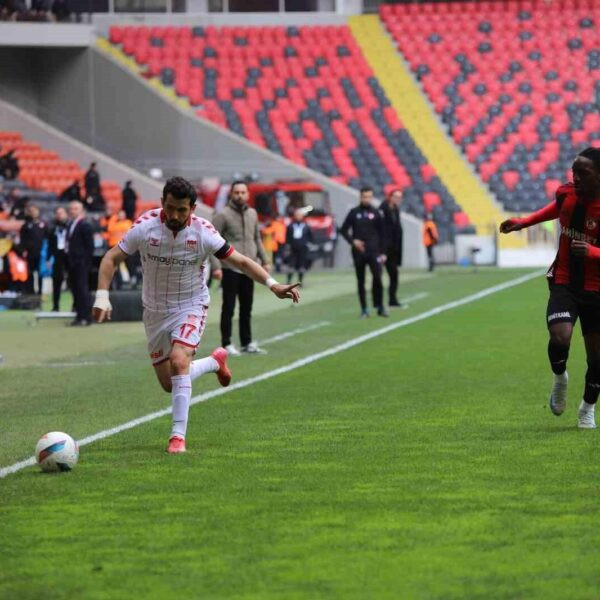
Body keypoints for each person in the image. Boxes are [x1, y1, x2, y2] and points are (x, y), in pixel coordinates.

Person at [92, 176, 300, 454]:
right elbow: (111, 258)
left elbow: (240, 261)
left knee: (179, 362)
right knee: (170, 384)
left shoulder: (203, 232)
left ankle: (177, 437)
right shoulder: (145, 227)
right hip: (154, 311)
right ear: (162, 203)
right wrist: (102, 297)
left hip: (191, 305)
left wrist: (273, 285)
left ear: (193, 208)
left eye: (182, 210)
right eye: (170, 208)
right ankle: (215, 362)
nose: (175, 215)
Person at [500, 147, 600, 429]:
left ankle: (587, 408)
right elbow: (557, 209)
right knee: (560, 337)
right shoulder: (567, 194)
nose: (576, 178)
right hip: (565, 280)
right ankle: (560, 378)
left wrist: (593, 253)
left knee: (597, 358)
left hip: (597, 288)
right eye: (574, 172)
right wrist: (524, 222)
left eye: (583, 173)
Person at [212, 180, 271, 355]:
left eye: (243, 192)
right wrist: (216, 267)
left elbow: (257, 239)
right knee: (228, 307)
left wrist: (265, 259)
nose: (240, 195)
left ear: (248, 194)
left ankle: (247, 342)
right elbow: (211, 241)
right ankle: (226, 343)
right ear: (231, 194)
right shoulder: (222, 215)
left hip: (250, 267)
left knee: (247, 307)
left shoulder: (252, 213)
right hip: (230, 267)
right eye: (236, 192)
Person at [340, 186, 388, 318]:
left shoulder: (377, 213)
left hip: (374, 251)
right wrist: (353, 241)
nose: (367, 199)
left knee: (378, 278)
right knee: (361, 280)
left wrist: (383, 252)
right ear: (360, 197)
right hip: (359, 252)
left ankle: (379, 306)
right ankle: (364, 309)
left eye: (369, 197)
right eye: (365, 197)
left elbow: (383, 234)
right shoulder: (354, 212)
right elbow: (343, 230)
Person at [66, 200, 94, 326]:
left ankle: (86, 317)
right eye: (71, 208)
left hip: (81, 263)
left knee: (82, 290)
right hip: (72, 263)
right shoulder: (71, 224)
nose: (72, 211)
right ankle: (79, 315)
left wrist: (85, 263)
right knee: (75, 289)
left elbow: (89, 247)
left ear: (81, 211)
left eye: (75, 209)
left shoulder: (85, 225)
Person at [380, 189, 405, 307]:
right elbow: (383, 232)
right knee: (379, 276)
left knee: (394, 275)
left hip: (393, 249)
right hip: (384, 249)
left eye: (399, 197)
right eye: (395, 196)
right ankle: (380, 302)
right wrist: (382, 251)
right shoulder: (383, 210)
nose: (398, 199)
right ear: (389, 197)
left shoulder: (395, 210)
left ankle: (392, 300)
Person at [19, 203, 46, 295]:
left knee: (40, 273)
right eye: (31, 211)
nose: (33, 212)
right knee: (30, 273)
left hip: (41, 253)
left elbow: (47, 238)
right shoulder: (26, 225)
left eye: (34, 210)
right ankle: (30, 291)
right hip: (30, 253)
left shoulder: (43, 224)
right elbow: (22, 239)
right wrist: (23, 250)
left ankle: (40, 292)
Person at [47, 205, 69, 311]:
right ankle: (55, 305)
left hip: (69, 256)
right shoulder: (53, 228)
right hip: (58, 256)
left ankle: (75, 306)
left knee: (72, 282)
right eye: (58, 213)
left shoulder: (70, 226)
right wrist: (48, 258)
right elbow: (50, 245)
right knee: (56, 281)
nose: (60, 215)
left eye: (61, 213)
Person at [285, 208, 313, 286]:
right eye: (296, 215)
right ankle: (288, 281)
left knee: (301, 265)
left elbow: (310, 236)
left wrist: (308, 244)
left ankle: (300, 282)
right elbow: (287, 237)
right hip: (293, 247)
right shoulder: (290, 226)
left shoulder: (306, 226)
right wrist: (287, 246)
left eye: (299, 215)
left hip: (303, 248)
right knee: (291, 265)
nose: (298, 216)